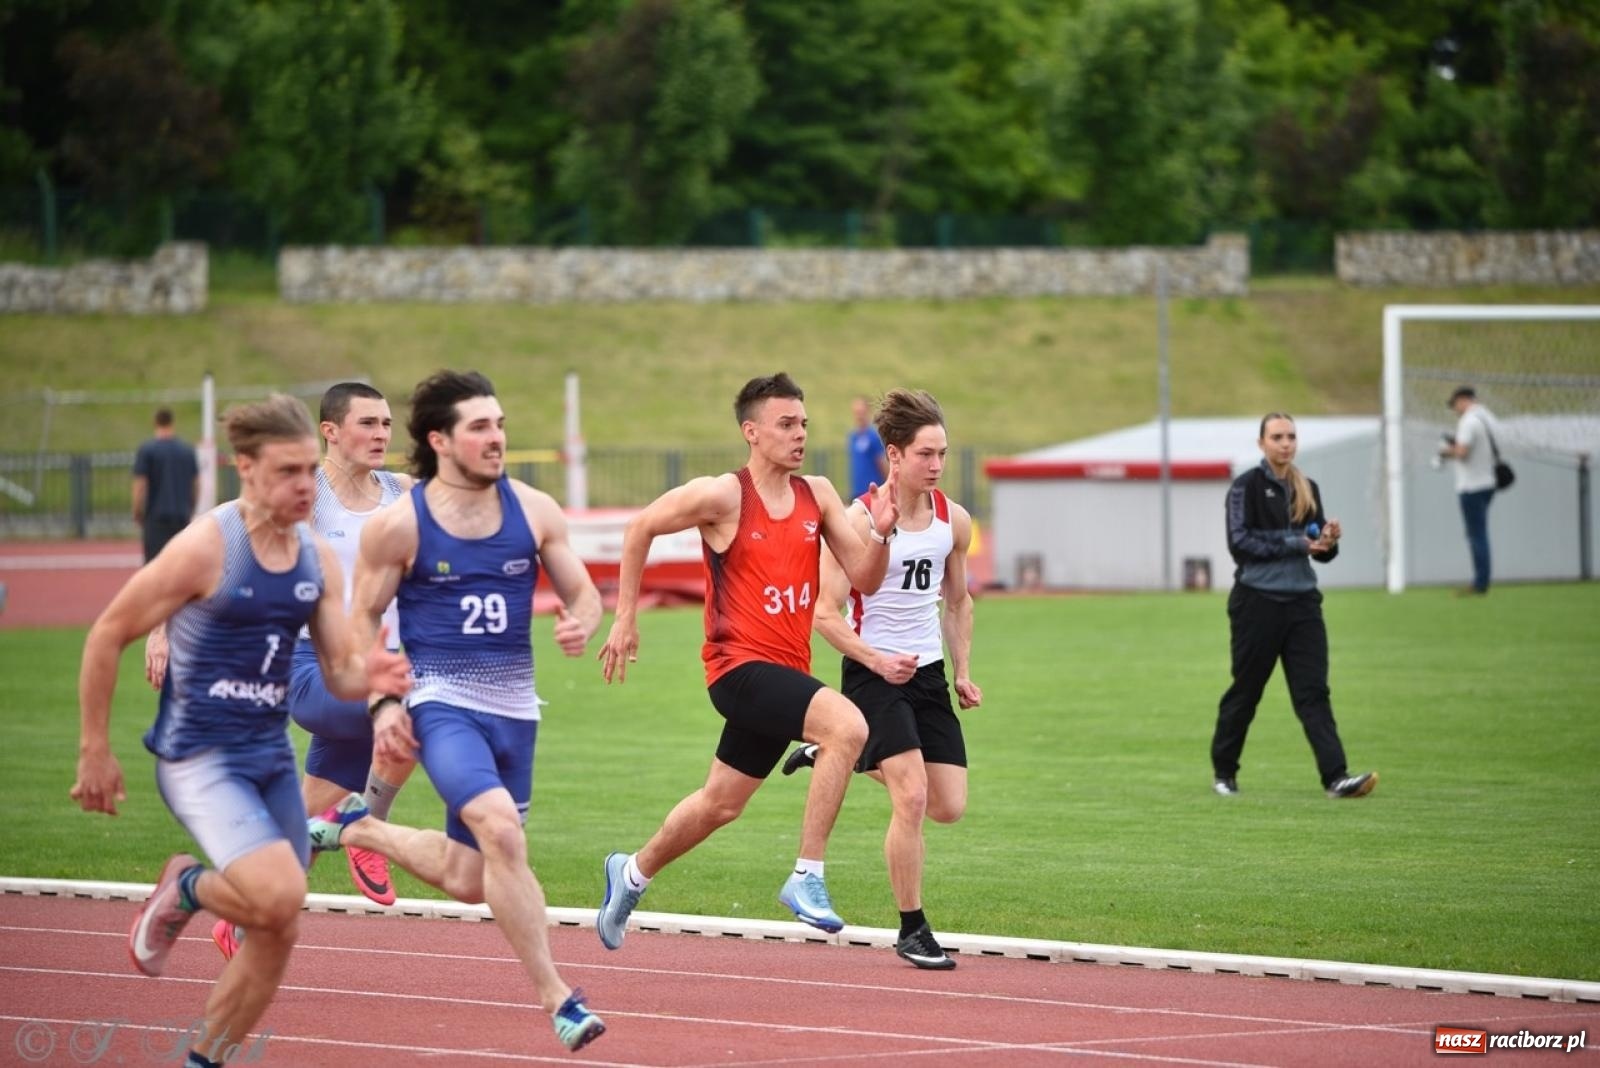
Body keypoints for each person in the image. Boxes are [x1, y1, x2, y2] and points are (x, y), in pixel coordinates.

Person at [72, 394, 411, 1068]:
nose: (304, 487)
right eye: (288, 472)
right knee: (280, 891)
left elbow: (339, 670)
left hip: (269, 755)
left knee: (278, 925)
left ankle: (206, 1059)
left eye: (311, 472)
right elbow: (109, 630)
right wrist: (94, 748)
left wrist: (373, 676)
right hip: (200, 755)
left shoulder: (316, 557)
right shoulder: (208, 546)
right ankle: (189, 886)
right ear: (246, 467)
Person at [304, 369, 606, 1052]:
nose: (496, 437)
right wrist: (384, 704)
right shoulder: (400, 524)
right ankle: (559, 996)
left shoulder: (533, 509)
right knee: (503, 833)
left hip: (516, 712)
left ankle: (358, 827)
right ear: (440, 440)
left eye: (499, 423)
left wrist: (580, 622)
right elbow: (361, 623)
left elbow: (586, 595)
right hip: (441, 700)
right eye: (480, 427)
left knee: (475, 879)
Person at [594, 372, 899, 949]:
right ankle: (807, 875)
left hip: (785, 673)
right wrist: (626, 615)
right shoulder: (724, 496)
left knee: (720, 804)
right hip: (736, 669)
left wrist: (881, 535)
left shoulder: (820, 495)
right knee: (848, 726)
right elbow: (640, 527)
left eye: (804, 423)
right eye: (786, 424)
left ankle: (631, 872)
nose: (800, 434)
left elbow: (865, 579)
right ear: (751, 432)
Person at [201, 383, 417, 960]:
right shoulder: (307, 493)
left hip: (374, 672)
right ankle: (368, 830)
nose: (380, 435)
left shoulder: (402, 492)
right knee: (423, 710)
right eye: (367, 423)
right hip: (313, 669)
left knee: (308, 819)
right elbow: (216, 535)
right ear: (330, 430)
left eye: (387, 424)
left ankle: (239, 910)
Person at [781, 388, 982, 970]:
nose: (937, 465)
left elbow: (959, 601)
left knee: (948, 804)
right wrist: (873, 659)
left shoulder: (953, 520)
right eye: (925, 454)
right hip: (873, 674)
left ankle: (831, 753)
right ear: (893, 456)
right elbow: (823, 614)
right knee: (912, 795)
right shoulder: (858, 519)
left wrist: (963, 669)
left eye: (942, 452)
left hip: (928, 676)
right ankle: (913, 928)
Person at [1211, 412, 1376, 800]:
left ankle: (1336, 778)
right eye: (1277, 437)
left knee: (1313, 692)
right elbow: (1240, 544)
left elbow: (1319, 552)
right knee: (1247, 690)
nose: (1285, 443)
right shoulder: (1245, 488)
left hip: (1303, 605)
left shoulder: (1308, 487)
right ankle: (1224, 772)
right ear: (1261, 444)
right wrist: (1297, 542)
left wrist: (1328, 541)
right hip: (1257, 604)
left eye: (1291, 436)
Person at [1437, 385, 1503, 596]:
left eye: (1455, 404)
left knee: (1477, 535)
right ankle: (1481, 580)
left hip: (1472, 485)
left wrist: (1445, 451)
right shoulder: (1488, 418)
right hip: (1488, 482)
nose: (1455, 409)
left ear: (1463, 400)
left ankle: (1480, 583)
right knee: (1478, 533)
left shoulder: (1469, 421)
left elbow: (1462, 452)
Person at [131, 407, 199, 562]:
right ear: (172, 423)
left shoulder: (147, 450)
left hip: (156, 518)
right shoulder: (187, 451)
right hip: (182, 517)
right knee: (180, 566)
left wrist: (137, 510)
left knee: (155, 567)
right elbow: (195, 484)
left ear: (155, 422)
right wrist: (191, 507)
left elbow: (140, 484)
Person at [847, 394, 888, 500]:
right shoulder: (853, 437)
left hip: (873, 491)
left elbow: (882, 463)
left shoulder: (873, 436)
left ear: (867, 412)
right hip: (857, 492)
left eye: (861, 412)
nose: (859, 416)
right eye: (856, 412)